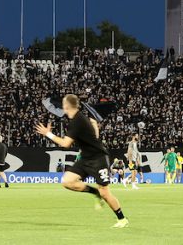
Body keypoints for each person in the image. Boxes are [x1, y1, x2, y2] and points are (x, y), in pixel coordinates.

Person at [34, 93, 128, 229]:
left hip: (98, 158)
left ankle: (122, 218)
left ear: (66, 106)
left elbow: (66, 144)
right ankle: (94, 192)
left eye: (63, 105)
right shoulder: (79, 119)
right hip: (85, 158)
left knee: (105, 192)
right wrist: (95, 127)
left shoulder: (78, 121)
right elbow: (94, 136)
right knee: (67, 181)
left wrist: (48, 134)